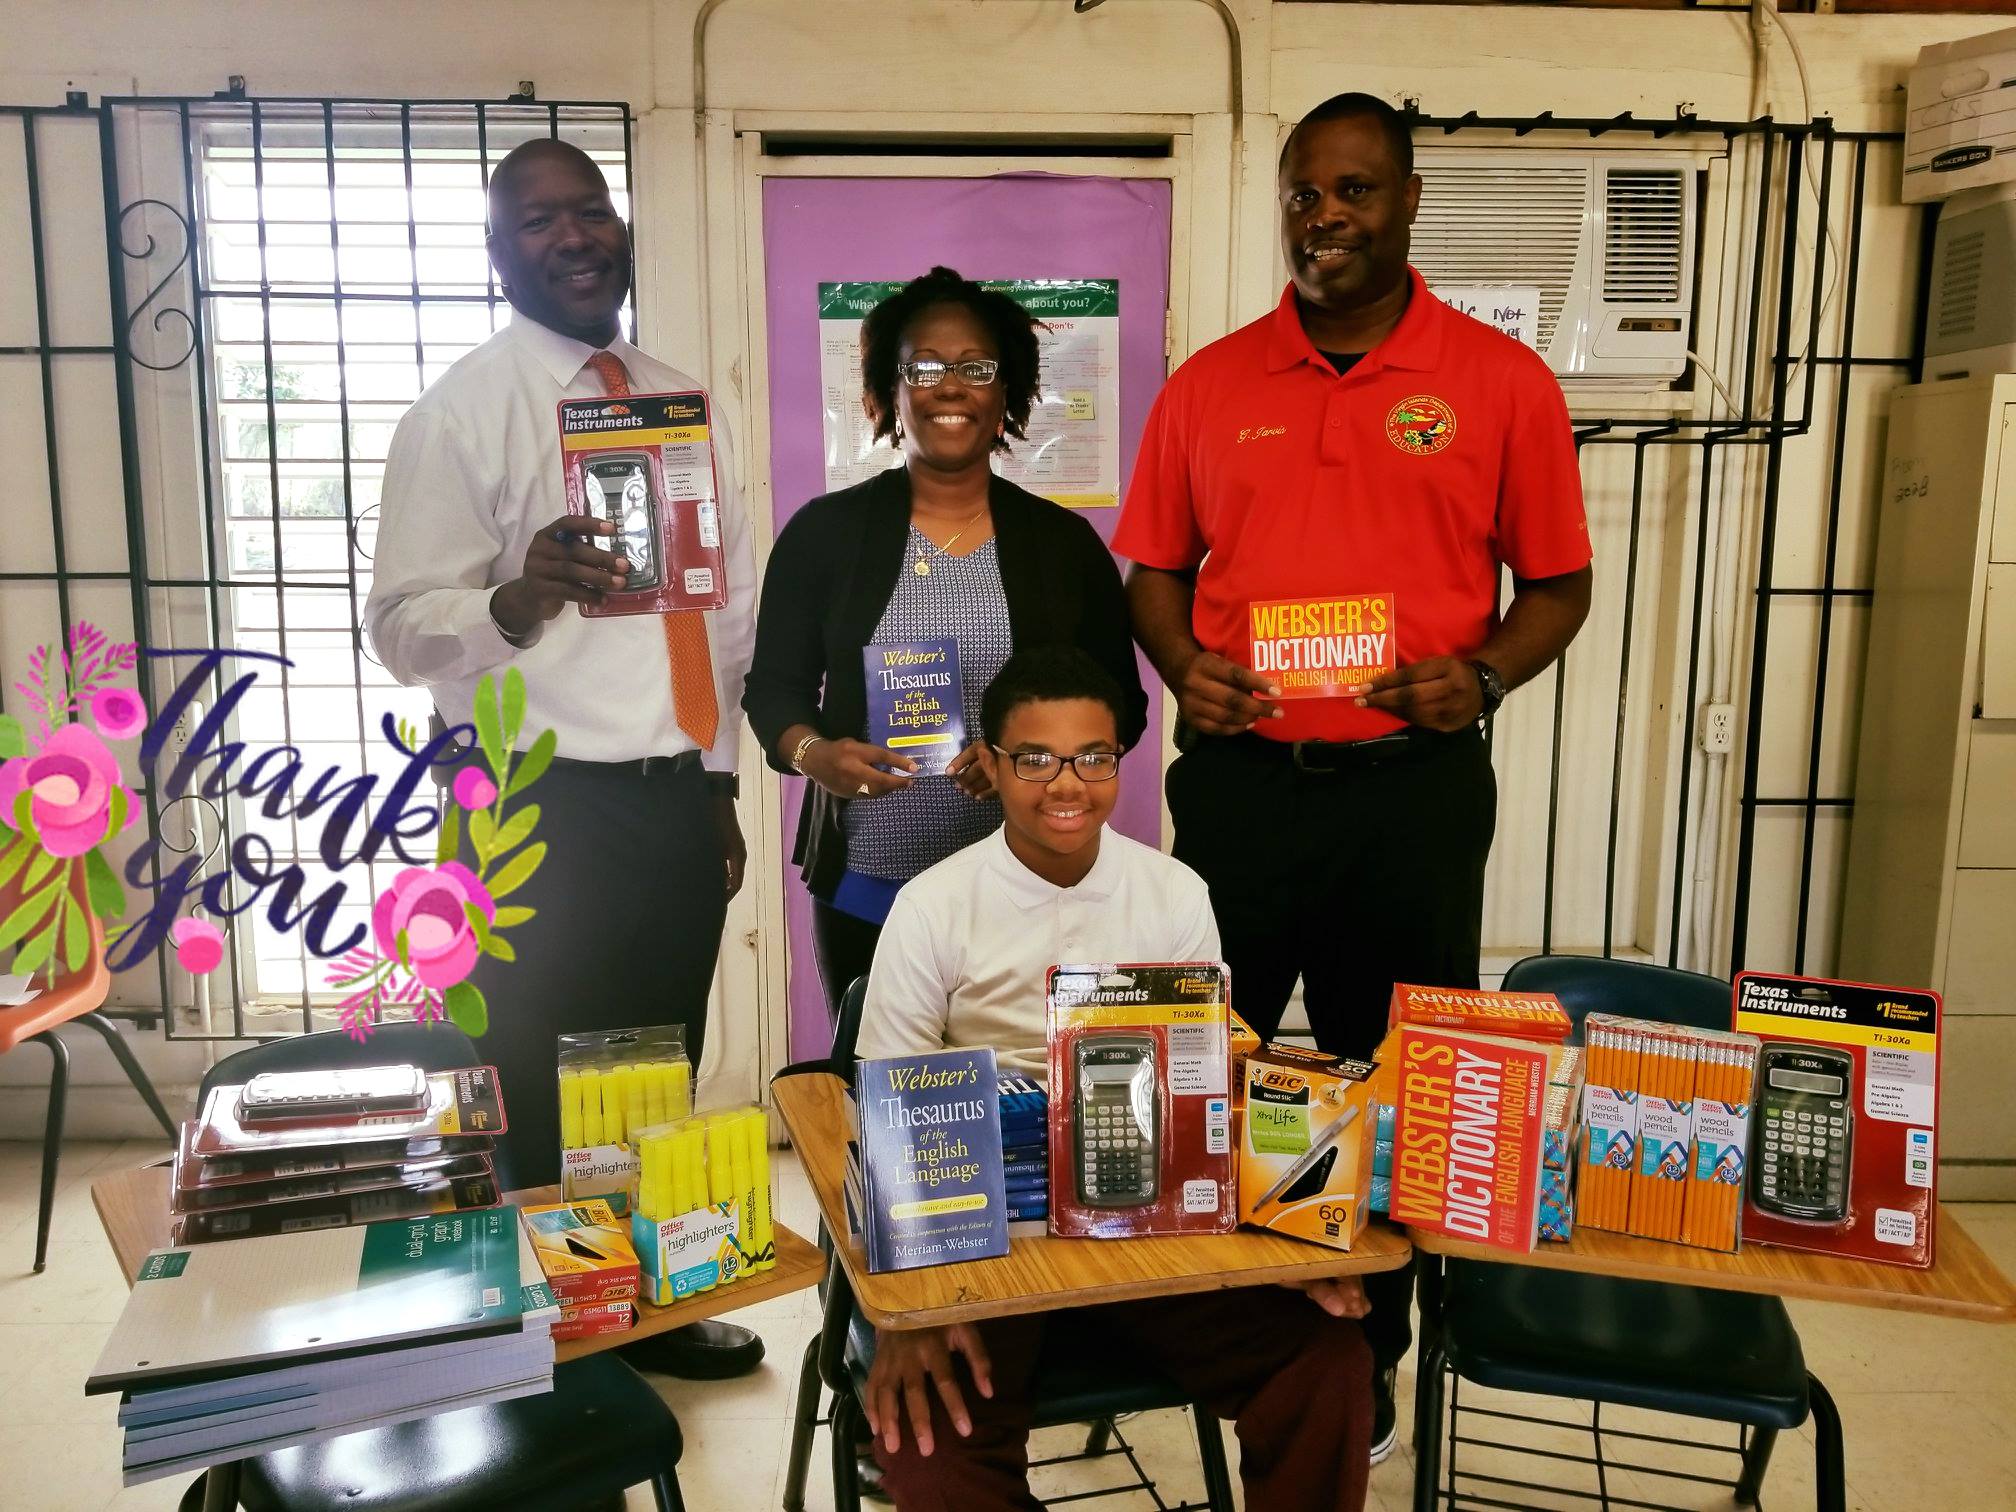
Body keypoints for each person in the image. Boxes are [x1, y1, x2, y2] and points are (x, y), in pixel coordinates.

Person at [1111, 91, 1594, 1461]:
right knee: (1207, 1061)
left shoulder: (1502, 384)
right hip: (1243, 788)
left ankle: (1367, 1360)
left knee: (1398, 1079)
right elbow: (1154, 572)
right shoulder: (1210, 386)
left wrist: (1484, 675)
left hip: (1413, 791)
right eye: (1305, 191)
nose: (1326, 214)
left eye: (1356, 189)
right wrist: (1181, 664)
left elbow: (1559, 585)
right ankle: (1202, 1318)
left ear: (1409, 202)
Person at [364, 137, 762, 1381]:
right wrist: (519, 595)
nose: (576, 236)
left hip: (670, 796)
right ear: (498, 255)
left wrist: (716, 779)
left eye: (590, 210)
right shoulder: (460, 415)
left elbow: (722, 612)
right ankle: (554, 1337)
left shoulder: (678, 398)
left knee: (652, 1071)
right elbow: (399, 629)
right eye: (539, 222)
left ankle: (645, 1303)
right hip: (529, 810)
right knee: (535, 1084)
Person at [857, 647, 1376, 1512]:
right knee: (929, 1448)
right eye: (1036, 758)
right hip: (994, 1235)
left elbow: (1207, 1089)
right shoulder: (933, 906)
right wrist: (903, 1312)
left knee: (1325, 1361)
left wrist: (1281, 1248)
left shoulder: (1173, 893)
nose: (1067, 785)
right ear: (989, 764)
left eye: (1093, 757)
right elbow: (889, 1121)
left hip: (1153, 1223)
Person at [744, 267, 1146, 1018]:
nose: (950, 386)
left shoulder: (1064, 546)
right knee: (886, 1081)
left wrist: (1028, 761)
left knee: (1029, 1080)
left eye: (976, 367)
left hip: (1032, 882)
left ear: (1006, 393)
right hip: (870, 882)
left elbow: (1121, 703)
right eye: (924, 368)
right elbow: (773, 691)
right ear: (890, 392)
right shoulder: (824, 535)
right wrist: (815, 756)